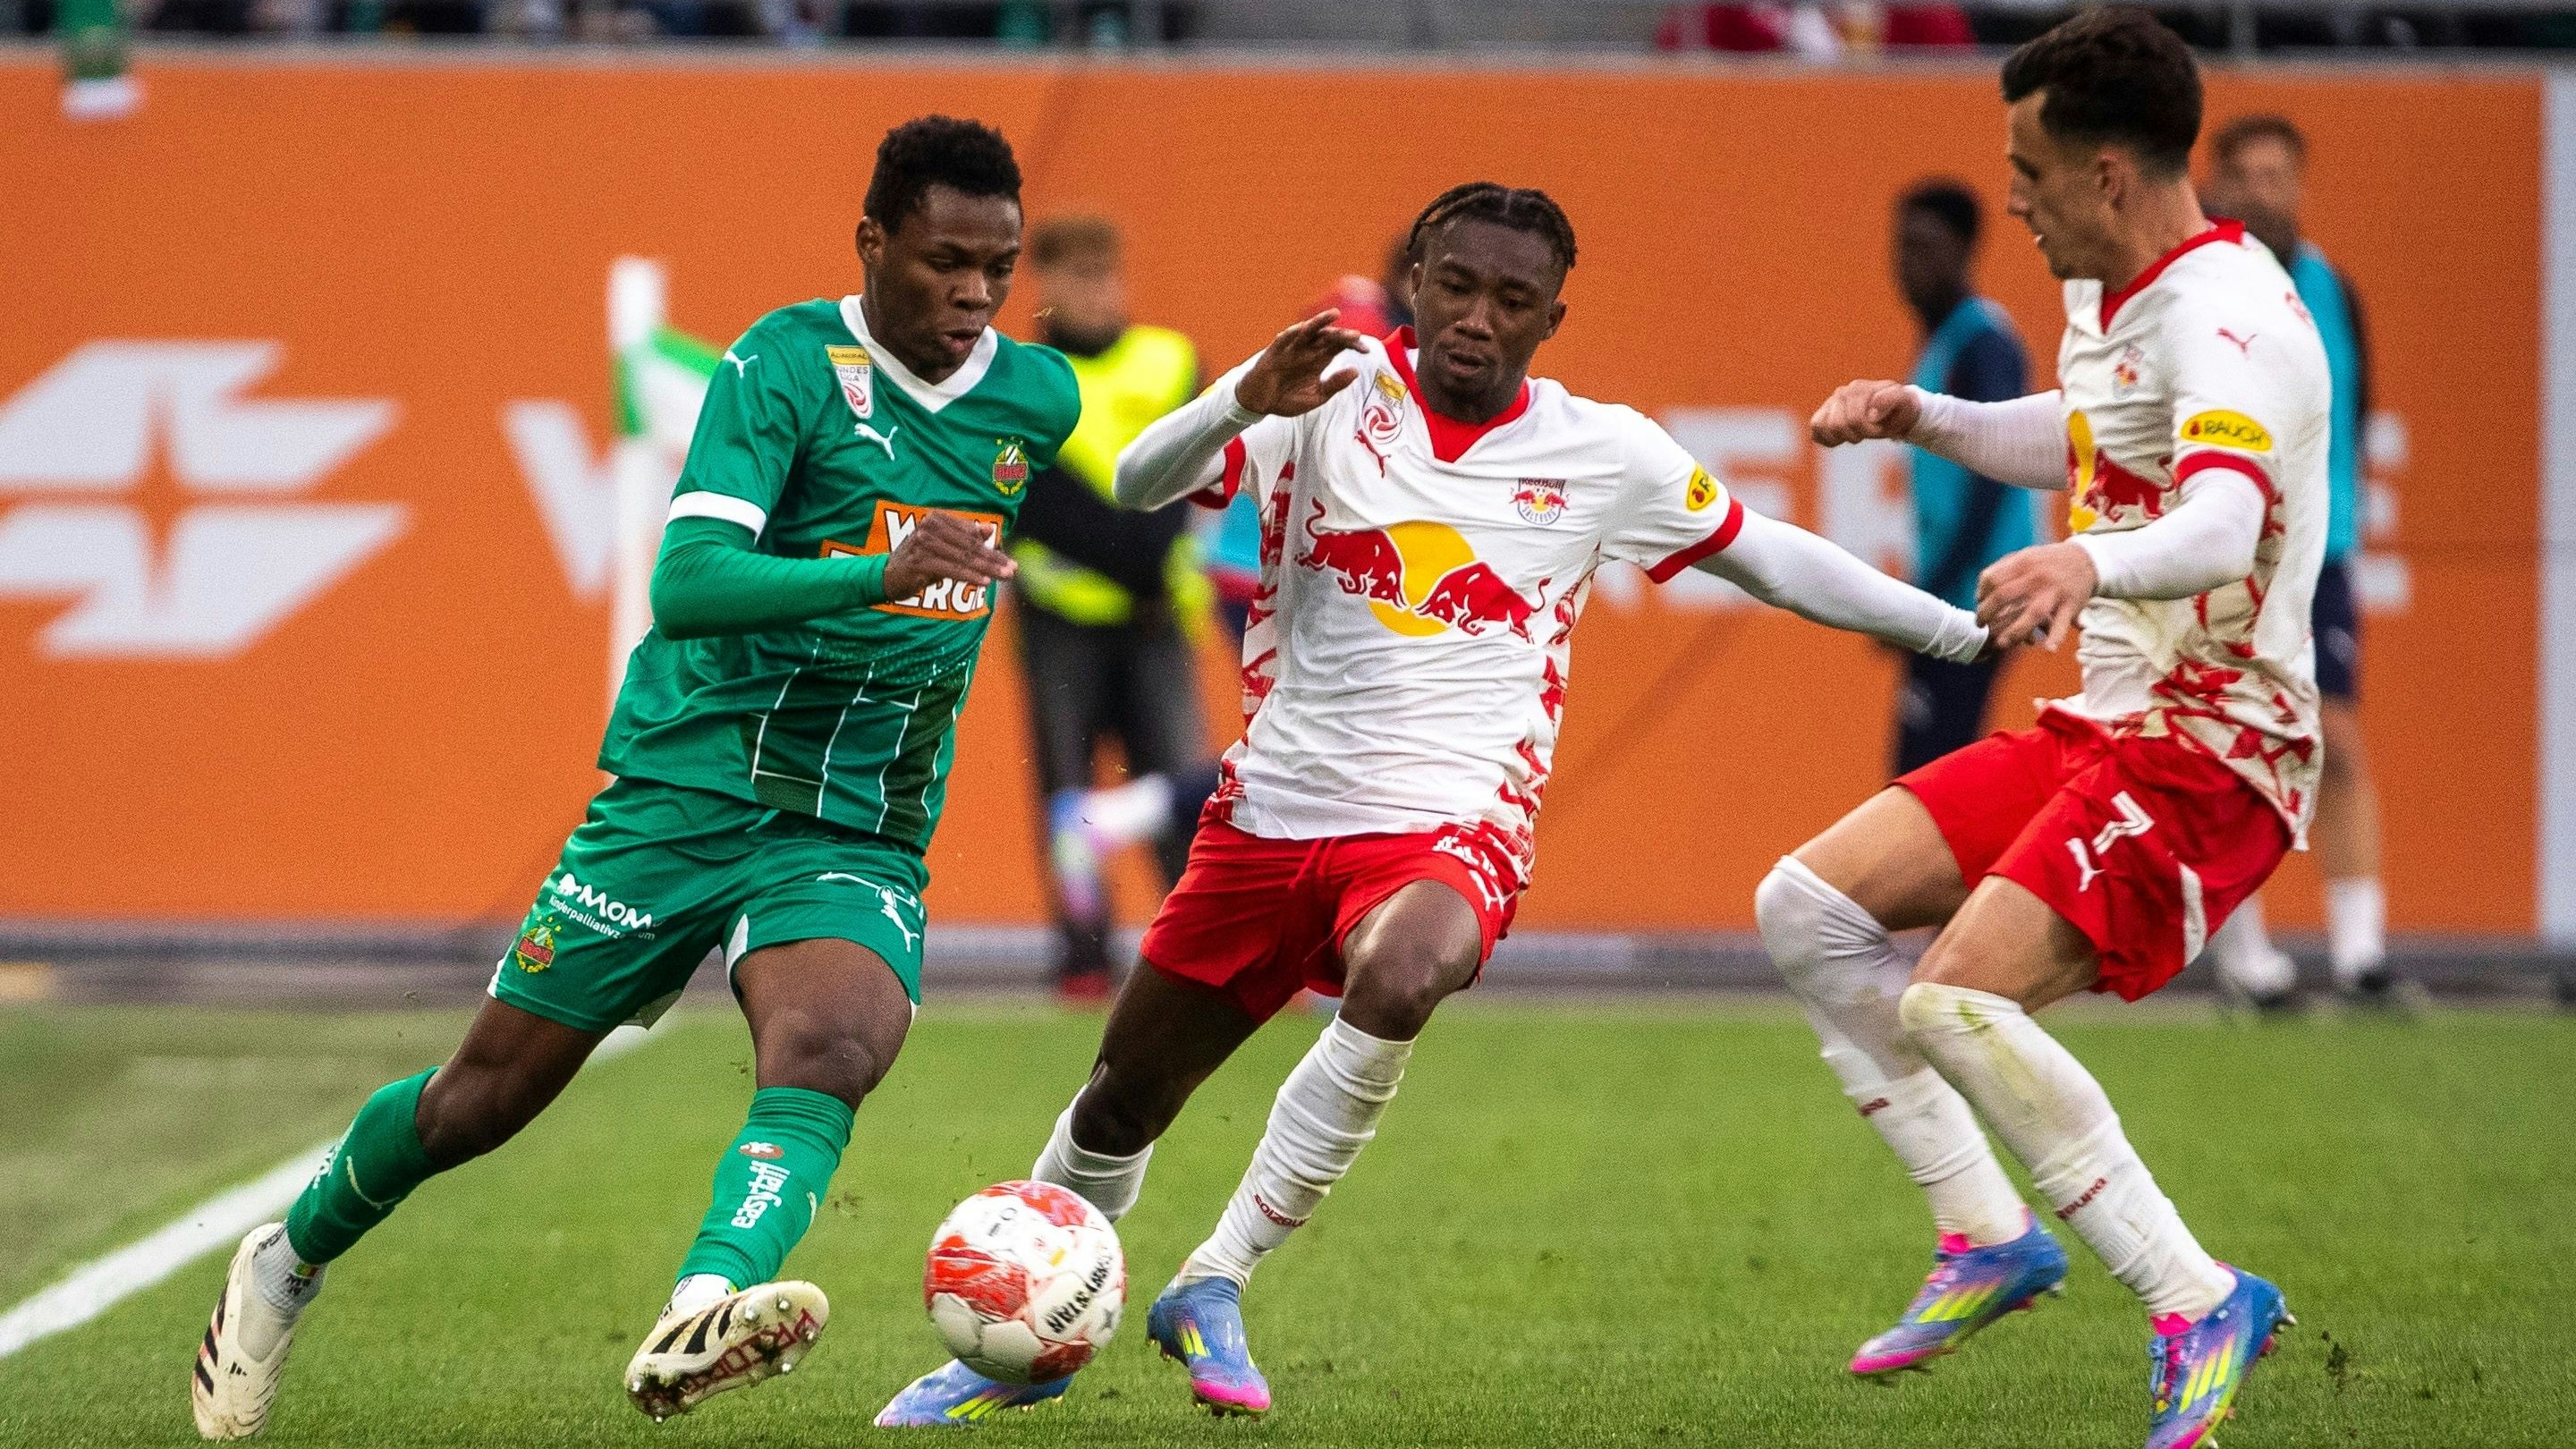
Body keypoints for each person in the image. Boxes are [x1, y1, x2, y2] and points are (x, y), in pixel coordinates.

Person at [877, 181, 1993, 1427]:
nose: (1476, 317)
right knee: (1120, 1103)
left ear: (1550, 319)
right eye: (1455, 286)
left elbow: (1775, 554)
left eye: (1511, 301)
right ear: (1415, 279)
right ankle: (1007, 1351)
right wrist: (1243, 399)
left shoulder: (1598, 450)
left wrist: (1957, 632)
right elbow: (1140, 485)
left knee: (1406, 972)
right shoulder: (1321, 386)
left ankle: (1216, 1277)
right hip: (1270, 817)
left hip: (1452, 825)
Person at [188, 116, 1081, 1440]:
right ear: (874, 241)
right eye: (945, 260)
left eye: (996, 267)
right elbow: (686, 581)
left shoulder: (1035, 397)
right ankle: (288, 1255)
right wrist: (877, 571)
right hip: (690, 779)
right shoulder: (780, 365)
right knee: (482, 1098)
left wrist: (1242, 408)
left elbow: (1139, 479)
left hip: (856, 814)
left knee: (833, 1043)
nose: (971, 291)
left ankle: (704, 1306)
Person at [1771, 13, 2316, 1448]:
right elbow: (2088, 437)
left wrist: (2086, 562)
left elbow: (2223, 518)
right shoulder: (2118, 293)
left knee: (1955, 998)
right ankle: (1987, 1236)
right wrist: (1923, 417)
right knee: (1808, 907)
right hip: (2113, 720)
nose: (2009, 196)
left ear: (2113, 173)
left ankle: (2196, 1293)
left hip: (2219, 750)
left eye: (2028, 167)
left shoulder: (2231, 319)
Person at [2198, 112, 2411, 1011]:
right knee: (2231, 747)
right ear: (2215, 184)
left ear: (2299, 183)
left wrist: (2336, 517)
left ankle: (2359, 953)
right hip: (2227, 552)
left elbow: (2353, 414)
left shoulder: (2334, 289)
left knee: (2339, 741)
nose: (2260, 191)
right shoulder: (2206, 285)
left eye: (2276, 174)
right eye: (2243, 174)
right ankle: (2248, 958)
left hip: (2319, 554)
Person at [1008, 215, 1219, 1002]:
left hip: (1157, 622)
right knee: (1067, 799)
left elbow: (1186, 478)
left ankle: (1197, 945)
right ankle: (1084, 956)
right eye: (1078, 276)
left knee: (1182, 787)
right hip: (1061, 623)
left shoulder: (1169, 361)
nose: (1097, 291)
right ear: (1045, 286)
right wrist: (1130, 547)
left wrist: (1133, 548)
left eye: (1107, 273)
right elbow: (1034, 502)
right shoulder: (1023, 376)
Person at [1887, 178, 2033, 774]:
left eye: (1924, 247)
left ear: (1965, 250)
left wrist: (1924, 599)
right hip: (1954, 595)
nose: (1906, 264)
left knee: (1928, 773)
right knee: (1929, 768)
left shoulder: (1984, 344)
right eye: (1900, 247)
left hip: (1974, 599)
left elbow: (1992, 477)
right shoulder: (1943, 343)